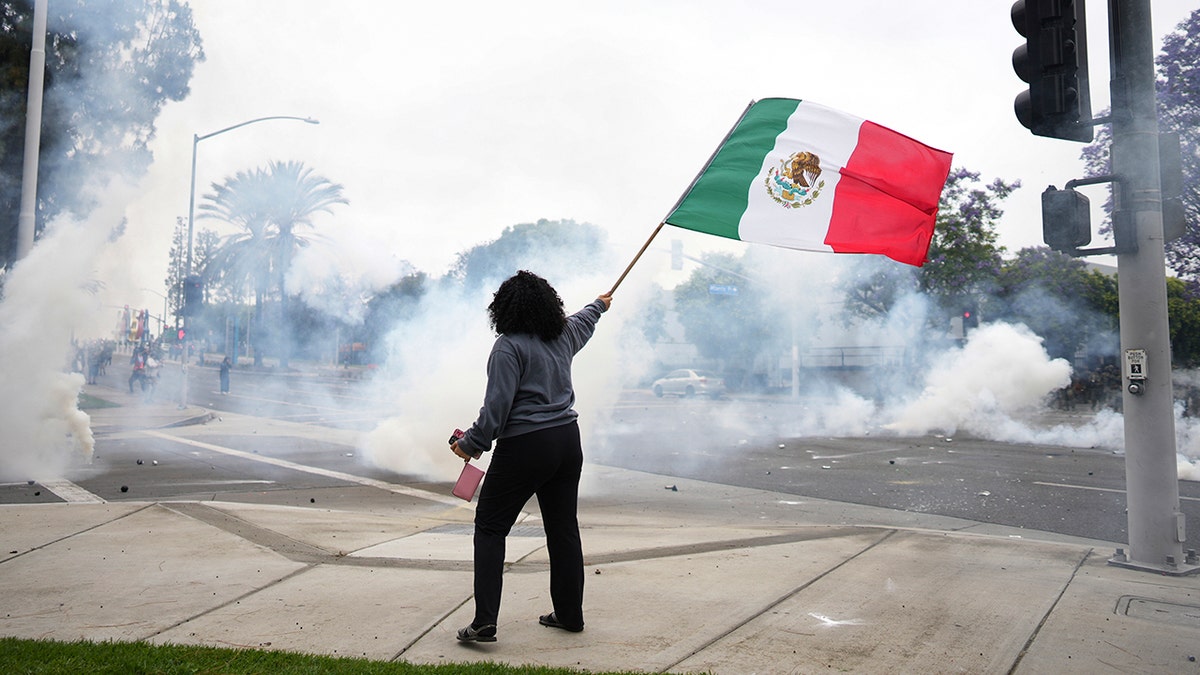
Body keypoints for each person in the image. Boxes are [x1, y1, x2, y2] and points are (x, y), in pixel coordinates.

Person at [451, 270, 612, 643]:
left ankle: (484, 622)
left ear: (504, 309)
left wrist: (470, 444)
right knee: (563, 528)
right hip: (567, 441)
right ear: (548, 305)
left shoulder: (508, 347)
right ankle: (570, 615)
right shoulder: (564, 334)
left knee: (490, 527)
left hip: (525, 445)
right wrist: (599, 305)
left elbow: (496, 409)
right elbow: (584, 319)